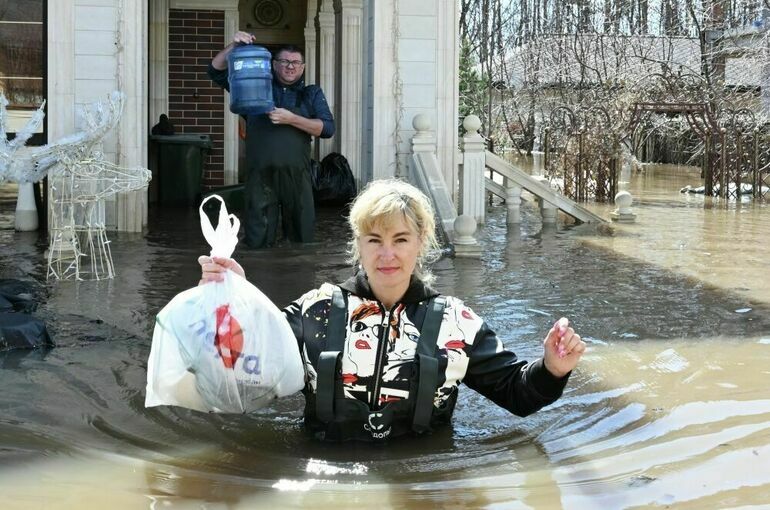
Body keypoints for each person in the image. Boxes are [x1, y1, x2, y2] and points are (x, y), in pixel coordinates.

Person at [198, 179, 586, 442]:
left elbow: (518, 394)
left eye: (400, 239)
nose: (387, 254)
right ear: (358, 244)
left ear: (421, 242)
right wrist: (233, 301)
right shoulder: (314, 310)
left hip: (423, 481)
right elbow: (245, 369)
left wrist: (552, 368)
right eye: (374, 240)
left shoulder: (457, 323)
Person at [208, 32, 335, 248]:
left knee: (301, 242)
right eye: (284, 61)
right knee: (257, 242)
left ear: (303, 67)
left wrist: (291, 119)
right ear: (274, 65)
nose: (290, 66)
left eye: (295, 62)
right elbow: (215, 70)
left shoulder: (311, 93)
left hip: (297, 178)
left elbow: (327, 128)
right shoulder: (255, 89)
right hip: (260, 177)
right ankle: (260, 267)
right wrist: (234, 46)